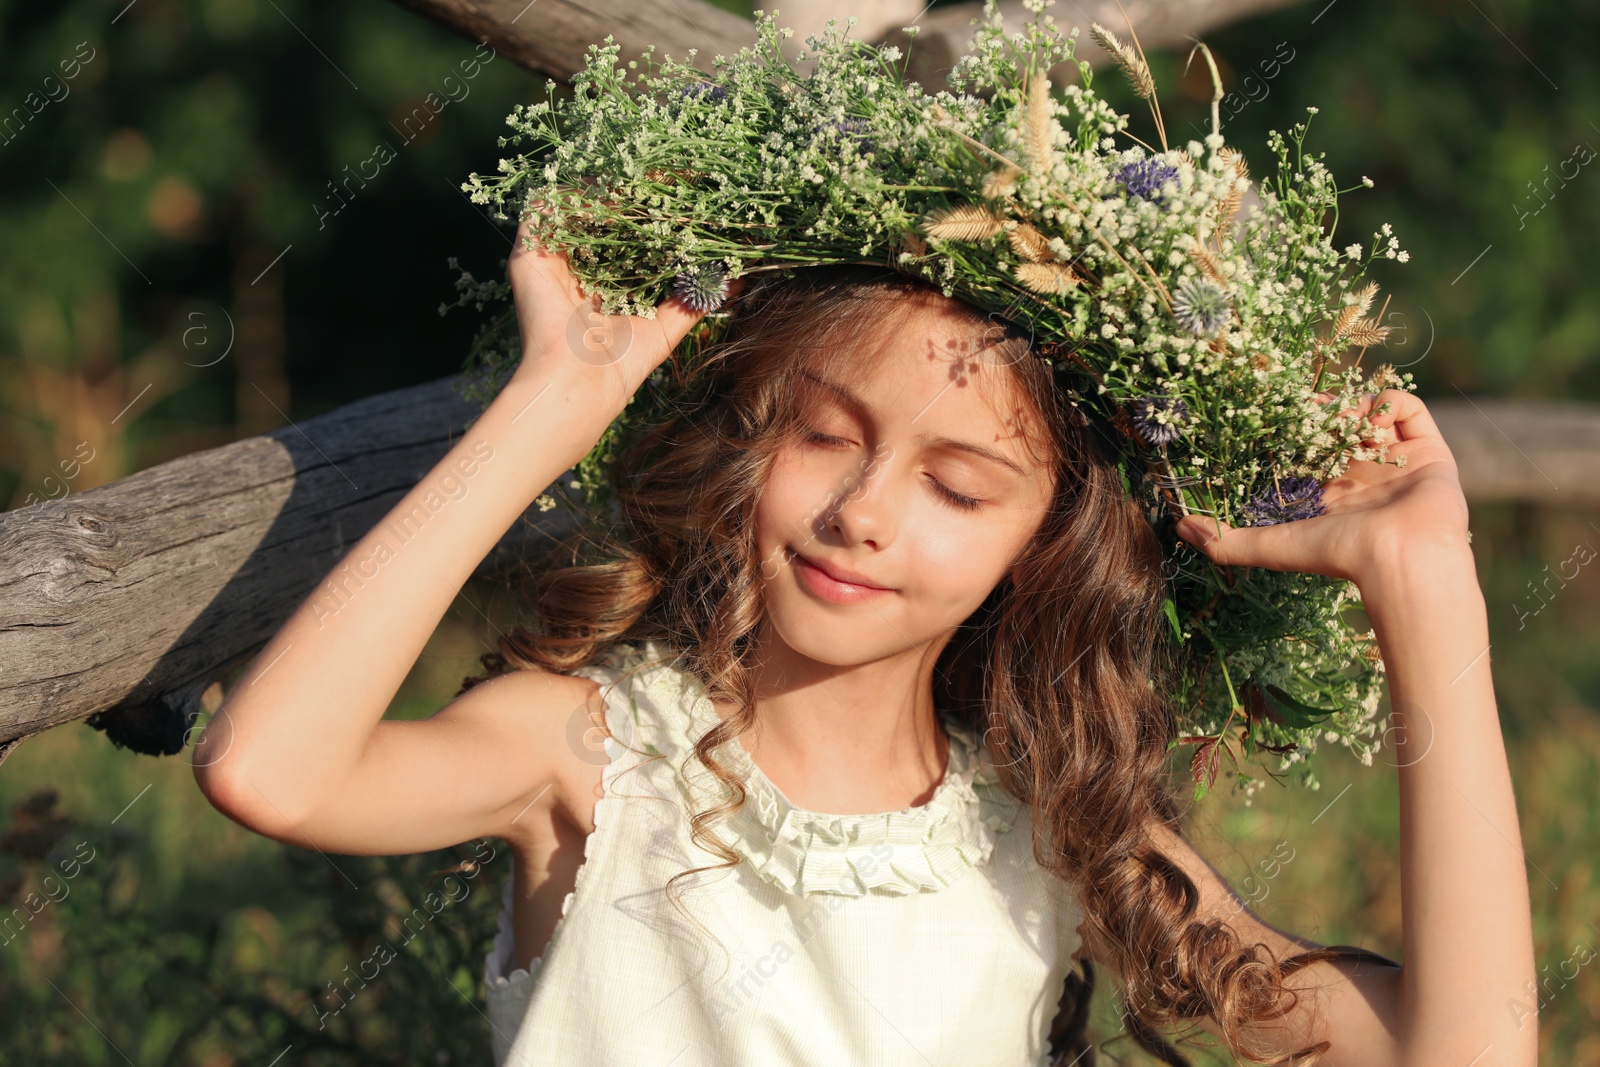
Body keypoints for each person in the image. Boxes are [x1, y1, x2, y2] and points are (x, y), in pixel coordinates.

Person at [192, 215, 1535, 1066]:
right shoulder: (598, 750)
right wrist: (558, 406)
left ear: (1045, 546)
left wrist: (1423, 588)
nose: (862, 515)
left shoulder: (1049, 828)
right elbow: (272, 772)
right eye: (824, 434)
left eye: (958, 489)